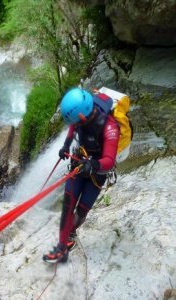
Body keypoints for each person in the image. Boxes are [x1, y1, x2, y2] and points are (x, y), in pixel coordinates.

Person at [43, 87, 119, 263]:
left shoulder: (110, 127)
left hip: (96, 174)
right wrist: (66, 146)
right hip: (79, 163)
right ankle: (63, 246)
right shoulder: (81, 117)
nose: (76, 124)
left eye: (78, 121)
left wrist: (93, 165)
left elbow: (109, 159)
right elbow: (73, 128)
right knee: (68, 203)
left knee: (82, 210)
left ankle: (71, 232)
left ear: (83, 117)